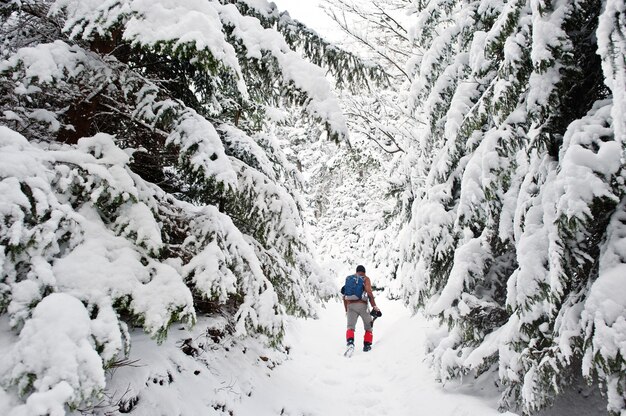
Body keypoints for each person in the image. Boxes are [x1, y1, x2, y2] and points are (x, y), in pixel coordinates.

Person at [343, 265, 380, 352]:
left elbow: (344, 296)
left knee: (350, 327)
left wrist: (346, 310)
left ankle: (350, 343)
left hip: (350, 306)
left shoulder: (350, 280)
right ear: (364, 272)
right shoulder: (365, 279)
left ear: (356, 271)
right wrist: (374, 306)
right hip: (362, 306)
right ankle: (367, 345)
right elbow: (369, 292)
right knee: (368, 327)